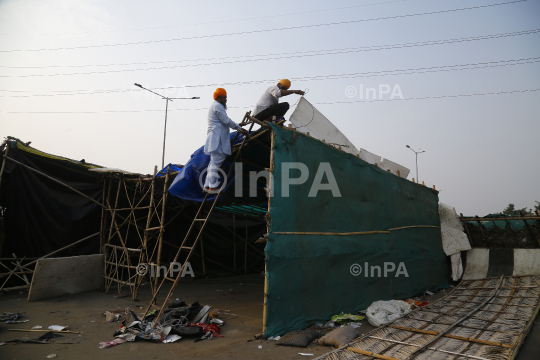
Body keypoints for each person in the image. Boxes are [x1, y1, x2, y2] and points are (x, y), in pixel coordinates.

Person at [203, 88, 248, 193]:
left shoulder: (215, 105)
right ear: (219, 97)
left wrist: (237, 124)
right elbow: (226, 120)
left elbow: (222, 121)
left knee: (213, 163)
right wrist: (240, 129)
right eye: (224, 97)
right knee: (216, 162)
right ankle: (212, 187)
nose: (226, 100)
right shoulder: (217, 106)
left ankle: (207, 185)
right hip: (217, 139)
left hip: (216, 137)